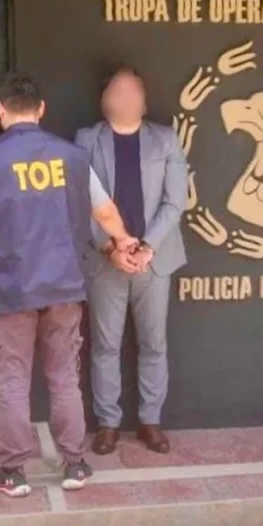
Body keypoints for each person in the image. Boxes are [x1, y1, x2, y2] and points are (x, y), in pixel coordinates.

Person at [0, 72, 137, 498]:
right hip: (64, 285)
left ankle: (14, 472)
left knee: (12, 382)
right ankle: (75, 464)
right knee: (63, 378)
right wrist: (125, 241)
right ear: (41, 109)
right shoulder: (72, 156)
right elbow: (104, 211)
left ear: (1, 110)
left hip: (9, 288)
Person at [76, 67, 187, 456]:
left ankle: (150, 421)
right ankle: (107, 425)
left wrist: (148, 246)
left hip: (154, 262)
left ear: (144, 99)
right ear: (103, 98)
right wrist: (112, 248)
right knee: (104, 346)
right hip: (105, 261)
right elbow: (80, 201)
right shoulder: (87, 140)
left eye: (132, 90)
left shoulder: (166, 139)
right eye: (116, 90)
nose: (124, 97)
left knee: (153, 344)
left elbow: (176, 201)